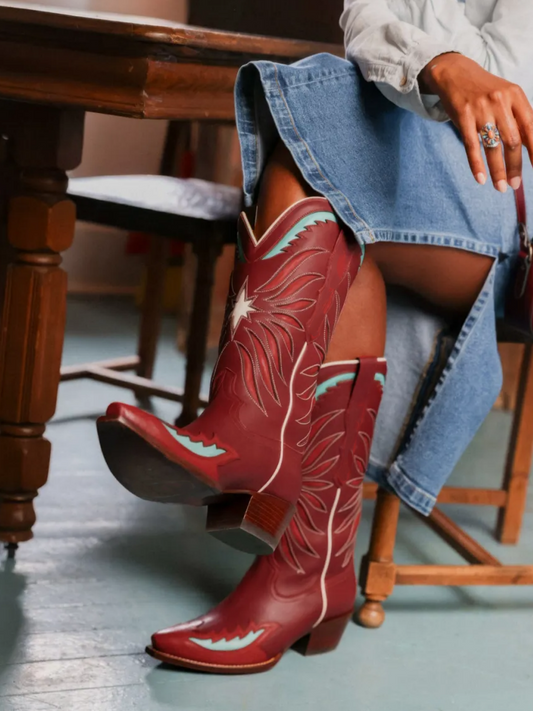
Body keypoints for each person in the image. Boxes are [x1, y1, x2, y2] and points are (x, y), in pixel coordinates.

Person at [97, 0, 533, 674]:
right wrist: (440, 65)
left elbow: (507, 88)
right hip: (397, 182)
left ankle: (252, 434)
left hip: (508, 196)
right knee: (334, 198)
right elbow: (364, 29)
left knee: (322, 100)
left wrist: (429, 60)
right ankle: (305, 574)